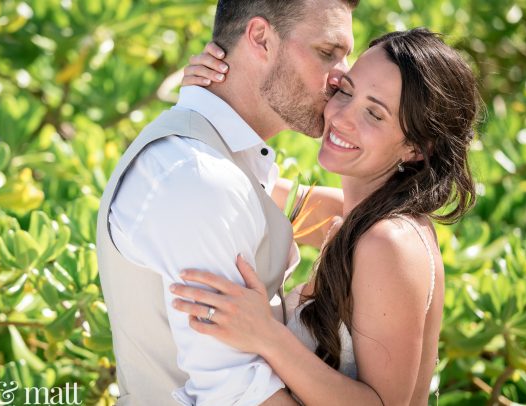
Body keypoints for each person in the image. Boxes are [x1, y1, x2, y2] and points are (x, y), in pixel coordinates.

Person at [171, 28, 481, 405]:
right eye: (346, 91)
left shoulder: (389, 242)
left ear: (417, 148)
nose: (342, 117)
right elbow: (232, 181)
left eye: (374, 113)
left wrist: (266, 336)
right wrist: (203, 100)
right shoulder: (353, 216)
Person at [96, 0, 359, 404]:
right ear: (259, 38)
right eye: (327, 53)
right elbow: (238, 397)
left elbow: (332, 214)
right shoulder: (198, 180)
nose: (343, 78)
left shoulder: (221, 160)